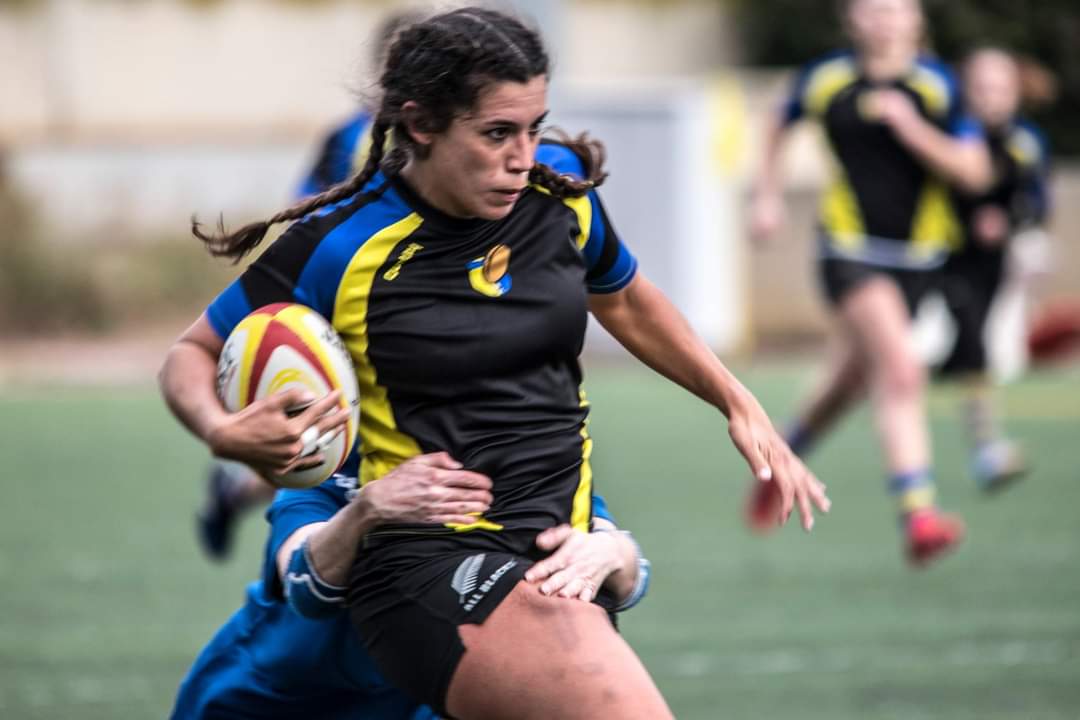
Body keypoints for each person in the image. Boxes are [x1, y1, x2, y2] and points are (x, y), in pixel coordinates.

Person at [160, 8, 829, 718]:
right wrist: (221, 431)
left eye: (535, 128)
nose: (524, 156)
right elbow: (192, 352)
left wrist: (736, 401)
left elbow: (626, 300)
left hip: (554, 545)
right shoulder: (343, 244)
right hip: (429, 563)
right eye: (496, 134)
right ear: (420, 124)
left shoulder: (559, 189)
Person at [746, 0, 990, 566]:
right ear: (850, 18)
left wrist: (912, 128)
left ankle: (775, 460)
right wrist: (766, 196)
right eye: (870, 8)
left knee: (849, 380)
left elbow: (973, 170)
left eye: (894, 8)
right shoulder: (827, 77)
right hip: (849, 252)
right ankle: (920, 516)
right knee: (900, 368)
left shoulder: (937, 87)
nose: (882, 19)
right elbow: (778, 123)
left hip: (922, 259)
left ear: (916, 20)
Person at [173, 451, 650, 719]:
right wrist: (366, 510)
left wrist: (612, 550)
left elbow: (623, 566)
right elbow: (305, 580)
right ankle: (234, 486)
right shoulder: (336, 474)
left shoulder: (526, 465)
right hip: (273, 699)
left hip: (416, 697)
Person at [196, 10, 419, 561]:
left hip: (414, 306)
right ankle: (298, 556)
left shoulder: (444, 134)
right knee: (334, 443)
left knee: (351, 445)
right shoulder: (346, 137)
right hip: (349, 305)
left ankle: (240, 495)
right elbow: (303, 212)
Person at [938, 47, 1051, 491]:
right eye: (981, 87)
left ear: (1016, 92)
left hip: (985, 260)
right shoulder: (952, 132)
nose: (990, 97)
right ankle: (985, 446)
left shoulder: (1026, 142)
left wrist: (1008, 221)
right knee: (967, 345)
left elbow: (1039, 203)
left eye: (1000, 88)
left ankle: (984, 445)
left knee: (973, 343)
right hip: (937, 250)